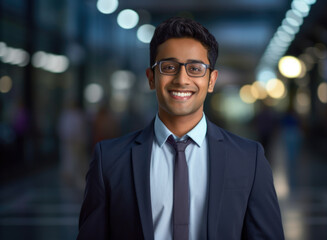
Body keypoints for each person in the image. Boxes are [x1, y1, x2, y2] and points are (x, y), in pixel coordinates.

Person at [77, 17, 284, 240]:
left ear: (211, 80)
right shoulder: (109, 160)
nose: (182, 79)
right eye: (169, 67)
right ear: (151, 78)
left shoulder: (248, 159)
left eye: (195, 68)